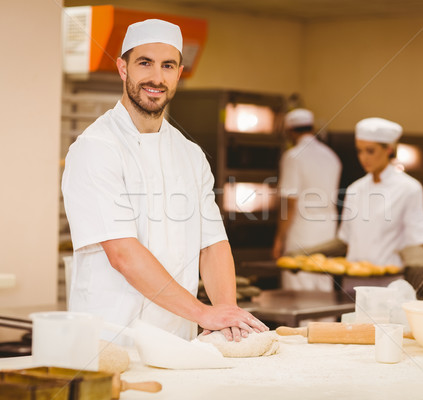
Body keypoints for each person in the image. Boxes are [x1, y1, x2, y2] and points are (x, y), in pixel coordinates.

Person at [62, 19, 267, 344]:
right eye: (145, 63)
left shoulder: (190, 154)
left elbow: (212, 243)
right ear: (123, 68)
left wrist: (226, 312)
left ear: (178, 73)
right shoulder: (96, 148)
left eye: (168, 65)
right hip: (110, 341)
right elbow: (123, 254)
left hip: (176, 341)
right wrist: (203, 313)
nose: (157, 77)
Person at [338, 117, 423, 269]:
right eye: (359, 151)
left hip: (389, 284)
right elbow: (345, 239)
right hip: (353, 282)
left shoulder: (409, 189)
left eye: (370, 151)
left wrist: (421, 269)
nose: (363, 158)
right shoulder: (354, 189)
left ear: (388, 149)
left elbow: (416, 241)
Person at [272, 108, 342, 291]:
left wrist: (279, 239)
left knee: (300, 287)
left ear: (290, 131)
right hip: (328, 230)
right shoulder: (332, 156)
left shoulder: (293, 156)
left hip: (302, 230)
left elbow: (290, 202)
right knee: (323, 285)